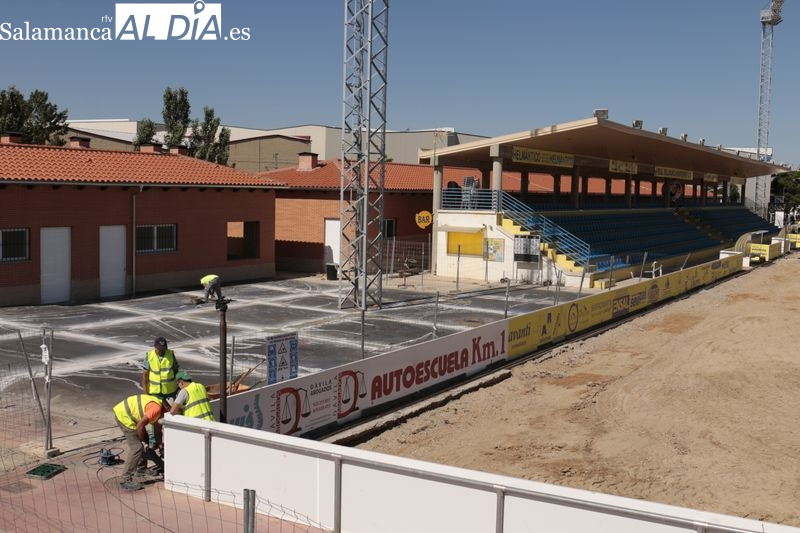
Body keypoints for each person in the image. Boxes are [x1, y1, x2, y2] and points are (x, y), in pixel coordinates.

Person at [112, 393, 167, 489]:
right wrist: (144, 443)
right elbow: (140, 426)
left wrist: (160, 446)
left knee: (145, 442)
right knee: (137, 447)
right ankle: (125, 479)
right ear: (166, 408)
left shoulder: (161, 412)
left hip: (134, 418)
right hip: (124, 416)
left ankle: (141, 469)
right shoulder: (156, 409)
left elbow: (157, 431)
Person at [141, 337, 179, 402]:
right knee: (155, 408)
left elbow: (176, 372)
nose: (161, 351)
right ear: (155, 347)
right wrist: (145, 393)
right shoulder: (149, 356)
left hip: (170, 392)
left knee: (171, 408)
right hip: (154, 393)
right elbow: (145, 376)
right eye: (159, 349)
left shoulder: (170, 354)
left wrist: (178, 388)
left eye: (163, 349)